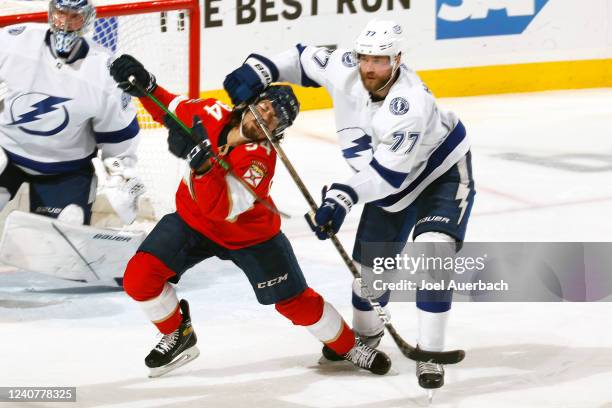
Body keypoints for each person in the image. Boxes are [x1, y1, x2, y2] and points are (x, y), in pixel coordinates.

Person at [223, 19, 476, 390]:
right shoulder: (346, 67)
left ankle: (430, 353)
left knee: (432, 251)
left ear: (398, 59)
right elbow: (301, 58)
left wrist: (341, 198)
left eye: (381, 60)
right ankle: (367, 335)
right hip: (385, 178)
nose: (370, 68)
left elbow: (388, 177)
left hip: (440, 173)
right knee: (370, 268)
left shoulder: (410, 106)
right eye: (366, 58)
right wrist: (260, 70)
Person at [109, 54, 392, 378]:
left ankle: (347, 346)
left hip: (251, 237)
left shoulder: (259, 161)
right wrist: (147, 88)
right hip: (193, 222)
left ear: (278, 131)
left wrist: (202, 168)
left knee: (294, 303)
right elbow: (172, 110)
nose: (266, 117)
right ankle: (178, 333)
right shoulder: (210, 111)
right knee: (140, 278)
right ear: (251, 104)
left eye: (274, 120)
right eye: (266, 107)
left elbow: (223, 210)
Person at [0, 0, 143, 226]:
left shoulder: (105, 71)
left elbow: (119, 135)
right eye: (60, 14)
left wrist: (120, 174)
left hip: (65, 169)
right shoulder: (13, 42)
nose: (65, 23)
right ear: (51, 13)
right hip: (6, 153)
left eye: (74, 16)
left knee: (64, 237)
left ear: (86, 20)